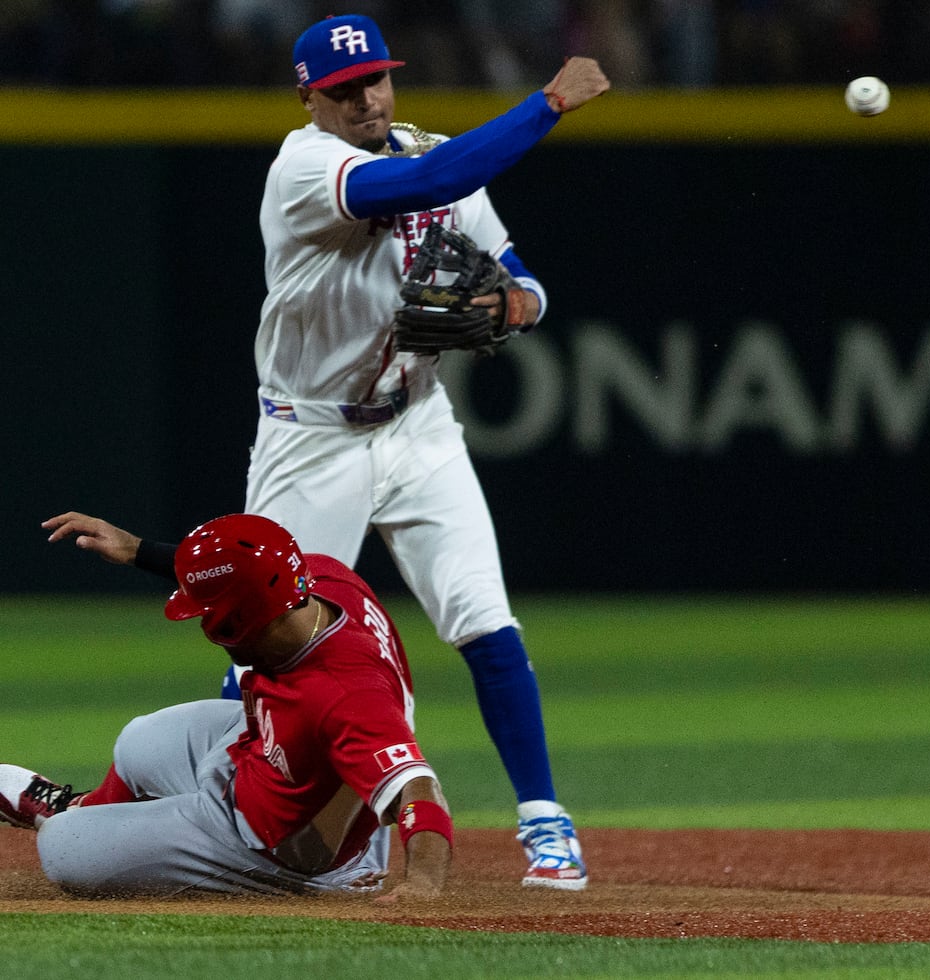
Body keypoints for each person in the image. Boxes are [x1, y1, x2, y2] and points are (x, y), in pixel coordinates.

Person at [236, 12, 608, 892]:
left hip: (419, 423)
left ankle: (546, 826)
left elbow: (521, 273)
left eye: (376, 80)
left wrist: (516, 306)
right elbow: (432, 179)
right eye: (344, 89)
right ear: (307, 96)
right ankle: (249, 825)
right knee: (267, 649)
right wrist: (548, 103)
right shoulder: (305, 168)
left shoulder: (427, 145)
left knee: (485, 619)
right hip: (311, 438)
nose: (366, 98)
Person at [5, 513, 452, 901]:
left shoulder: (346, 694)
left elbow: (418, 790)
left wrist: (424, 888)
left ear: (244, 616)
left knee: (62, 849)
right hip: (264, 753)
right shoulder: (321, 579)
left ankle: (336, 879)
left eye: (208, 613)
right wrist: (139, 550)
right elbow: (237, 571)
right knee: (140, 738)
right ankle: (86, 807)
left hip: (279, 848)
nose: (202, 620)